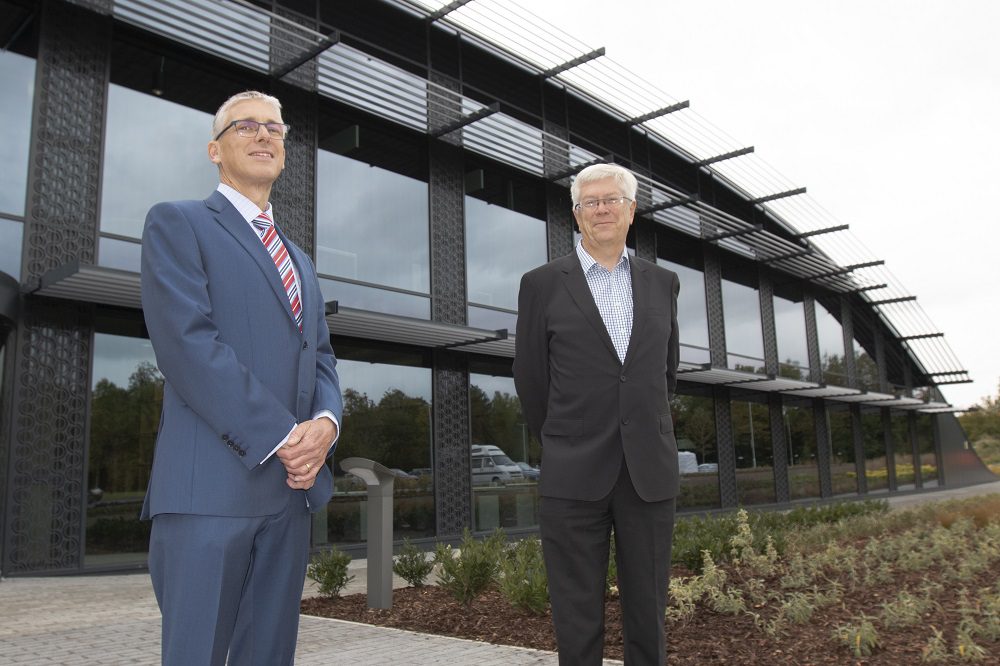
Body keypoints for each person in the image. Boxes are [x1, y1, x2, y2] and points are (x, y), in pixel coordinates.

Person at [140, 90, 343, 665]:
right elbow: (187, 346)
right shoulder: (177, 223)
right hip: (208, 496)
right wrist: (285, 437)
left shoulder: (299, 259)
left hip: (289, 498)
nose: (263, 136)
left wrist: (325, 426)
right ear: (214, 149)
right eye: (246, 126)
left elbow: (321, 357)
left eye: (275, 129)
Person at [513, 163, 680, 665]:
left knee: (648, 613)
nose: (602, 209)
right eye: (591, 202)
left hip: (648, 474)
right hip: (573, 472)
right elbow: (531, 380)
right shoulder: (541, 284)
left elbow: (664, 376)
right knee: (575, 614)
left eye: (612, 200)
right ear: (576, 215)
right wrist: (565, 439)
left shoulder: (664, 283)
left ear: (631, 211)